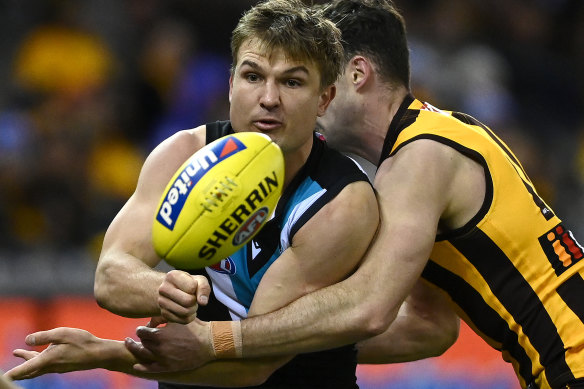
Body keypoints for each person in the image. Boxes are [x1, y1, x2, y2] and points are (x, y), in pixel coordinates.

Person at [77, 1, 583, 389]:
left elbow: (367, 309)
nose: (288, 99)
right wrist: (294, 340)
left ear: (351, 78)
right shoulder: (440, 137)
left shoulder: (418, 159)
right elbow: (429, 325)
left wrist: (219, 339)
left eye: (307, 77)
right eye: (256, 75)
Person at [5, 0, 383, 388]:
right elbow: (111, 275)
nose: (269, 99)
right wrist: (163, 288)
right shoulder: (183, 153)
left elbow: (254, 364)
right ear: (231, 82)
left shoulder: (339, 201)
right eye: (253, 77)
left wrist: (104, 353)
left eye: (292, 82)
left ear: (324, 98)